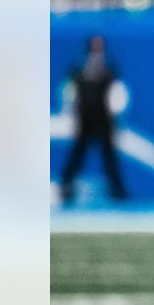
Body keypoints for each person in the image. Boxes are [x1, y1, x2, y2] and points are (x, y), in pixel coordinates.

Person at [59, 35, 128, 204]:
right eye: (94, 45)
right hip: (85, 118)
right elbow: (68, 92)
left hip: (103, 119)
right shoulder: (78, 68)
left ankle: (117, 190)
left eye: (100, 45)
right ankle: (66, 187)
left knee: (109, 156)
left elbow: (117, 93)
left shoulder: (109, 69)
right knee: (77, 154)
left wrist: (117, 115)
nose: (97, 49)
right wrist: (69, 112)